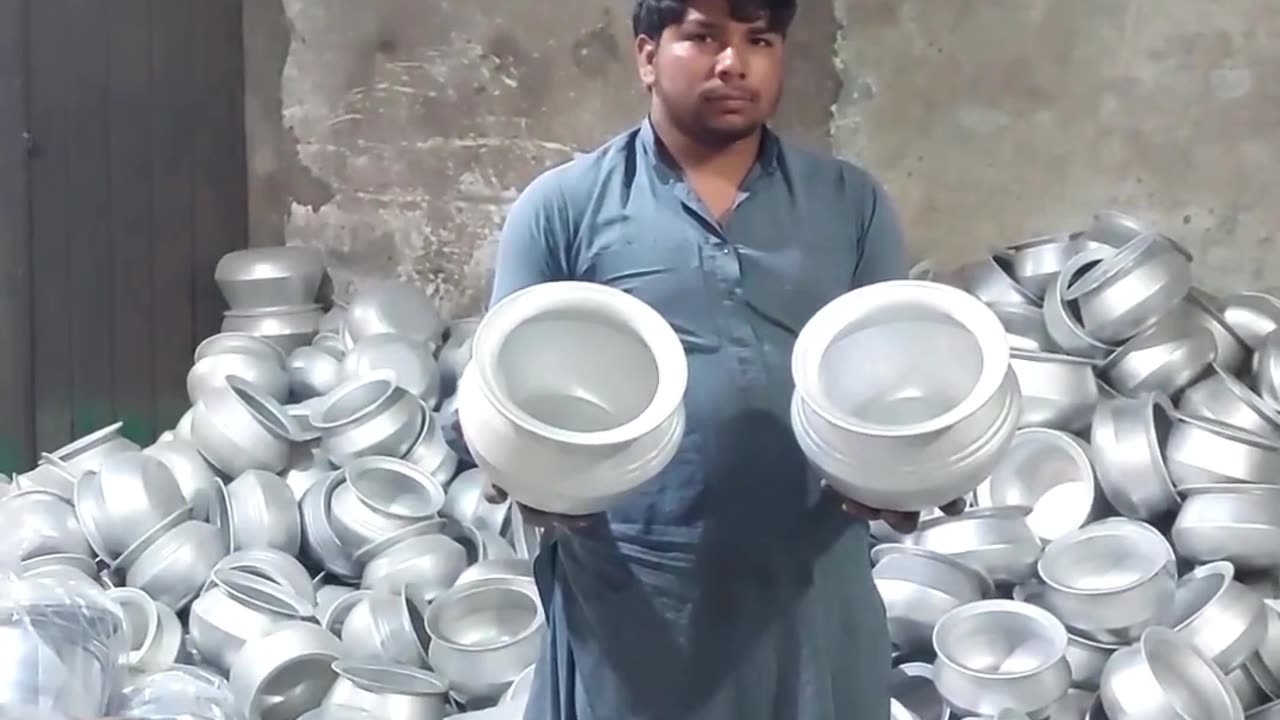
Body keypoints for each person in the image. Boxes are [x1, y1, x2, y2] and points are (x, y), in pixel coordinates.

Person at [485, 0, 963, 717]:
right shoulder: (563, 209)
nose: (734, 61)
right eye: (703, 37)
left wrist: (915, 466)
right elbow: (503, 393)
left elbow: (892, 376)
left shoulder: (849, 204)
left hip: (813, 591)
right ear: (647, 55)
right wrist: (522, 472)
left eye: (759, 39)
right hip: (637, 601)